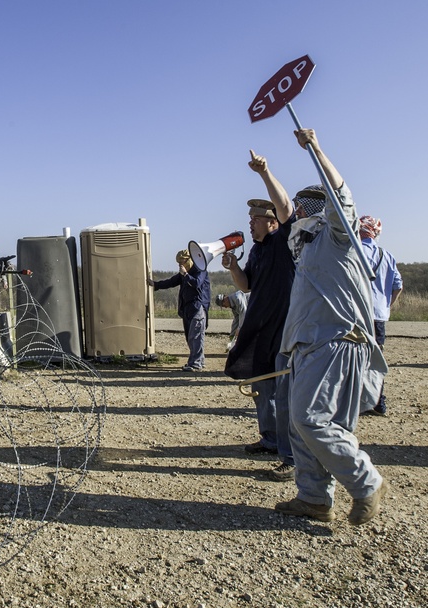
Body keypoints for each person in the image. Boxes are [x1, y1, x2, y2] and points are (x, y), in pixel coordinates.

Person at [272, 128, 387, 525]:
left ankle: (365, 482)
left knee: (311, 420)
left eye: (305, 208)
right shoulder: (305, 246)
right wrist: (265, 174)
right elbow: (284, 209)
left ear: (316, 210)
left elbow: (341, 199)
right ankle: (314, 498)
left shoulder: (338, 236)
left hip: (336, 342)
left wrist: (316, 150)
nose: (296, 215)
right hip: (308, 344)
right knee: (302, 425)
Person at [222, 157, 300, 482]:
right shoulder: (256, 250)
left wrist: (264, 173)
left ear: (272, 223)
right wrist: (233, 268)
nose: (250, 224)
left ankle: (291, 454)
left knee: (285, 393)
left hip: (284, 328)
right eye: (250, 218)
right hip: (262, 329)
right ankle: (269, 440)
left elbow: (285, 207)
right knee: (262, 388)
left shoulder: (284, 240)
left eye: (256, 219)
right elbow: (247, 285)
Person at [358, 216, 403, 416]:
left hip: (358, 314)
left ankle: (357, 403)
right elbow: (397, 286)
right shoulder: (387, 255)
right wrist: (386, 306)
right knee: (377, 359)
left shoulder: (355, 251)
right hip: (379, 316)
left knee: (356, 357)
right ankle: (378, 402)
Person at [148, 249, 210, 371]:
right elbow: (171, 282)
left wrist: (186, 275)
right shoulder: (184, 273)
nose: (181, 265)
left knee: (195, 336)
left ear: (189, 260)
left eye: (182, 262)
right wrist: (155, 284)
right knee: (190, 336)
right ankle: (199, 361)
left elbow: (197, 283)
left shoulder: (200, 270)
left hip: (197, 306)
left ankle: (195, 364)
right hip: (187, 308)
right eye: (179, 263)